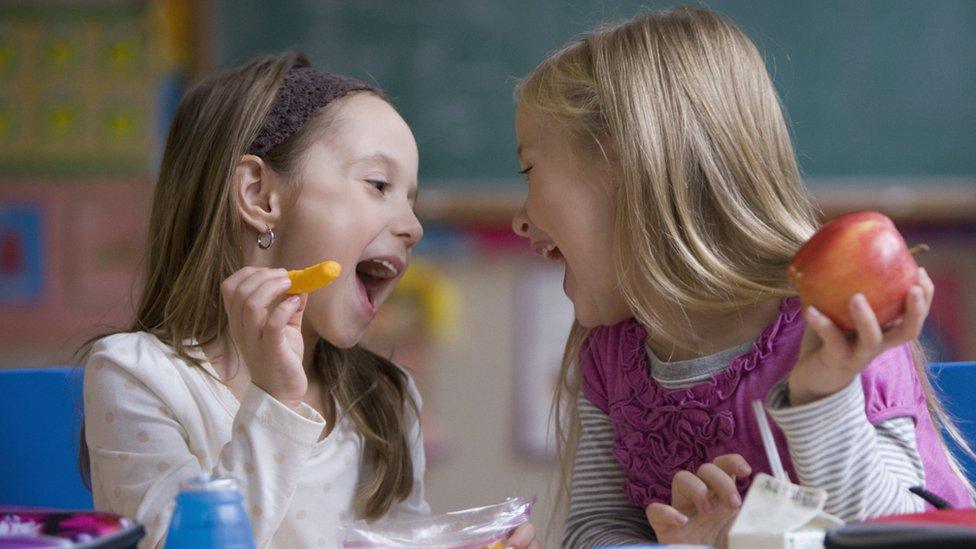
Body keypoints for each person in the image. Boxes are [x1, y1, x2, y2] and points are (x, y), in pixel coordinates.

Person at [510, 6, 973, 548]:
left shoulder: (833, 326)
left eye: (529, 170)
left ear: (626, 163)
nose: (520, 218)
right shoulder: (610, 356)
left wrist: (822, 398)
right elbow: (596, 531)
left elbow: (904, 538)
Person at [82, 52, 538, 548]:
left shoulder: (387, 398)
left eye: (410, 197)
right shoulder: (137, 375)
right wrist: (274, 399)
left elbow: (396, 539)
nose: (413, 226)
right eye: (379, 185)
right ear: (259, 196)